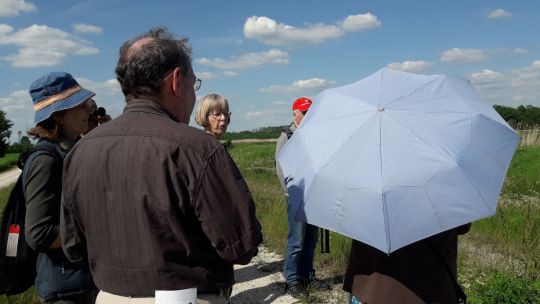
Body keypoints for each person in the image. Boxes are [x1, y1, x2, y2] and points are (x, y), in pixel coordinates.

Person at [60, 27, 262, 304]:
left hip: (108, 296)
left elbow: (73, 247)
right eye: (194, 84)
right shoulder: (198, 148)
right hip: (187, 296)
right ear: (177, 81)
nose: (193, 94)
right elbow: (241, 246)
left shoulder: (80, 151)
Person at [24, 72, 97, 303]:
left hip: (81, 283)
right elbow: (39, 234)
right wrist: (97, 230)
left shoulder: (70, 150)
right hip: (67, 291)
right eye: (81, 104)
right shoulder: (46, 161)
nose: (89, 109)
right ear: (59, 115)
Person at [275, 97, 329, 297]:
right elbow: (280, 168)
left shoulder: (313, 134)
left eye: (310, 112)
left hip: (314, 194)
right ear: (294, 113)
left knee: (311, 238)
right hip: (297, 196)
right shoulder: (287, 135)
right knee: (297, 240)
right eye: (304, 112)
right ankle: (292, 280)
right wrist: (290, 192)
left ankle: (307, 275)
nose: (307, 116)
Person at [343, 224, 471, 304]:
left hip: (371, 289)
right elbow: (463, 225)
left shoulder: (364, 183)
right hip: (431, 290)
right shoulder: (442, 185)